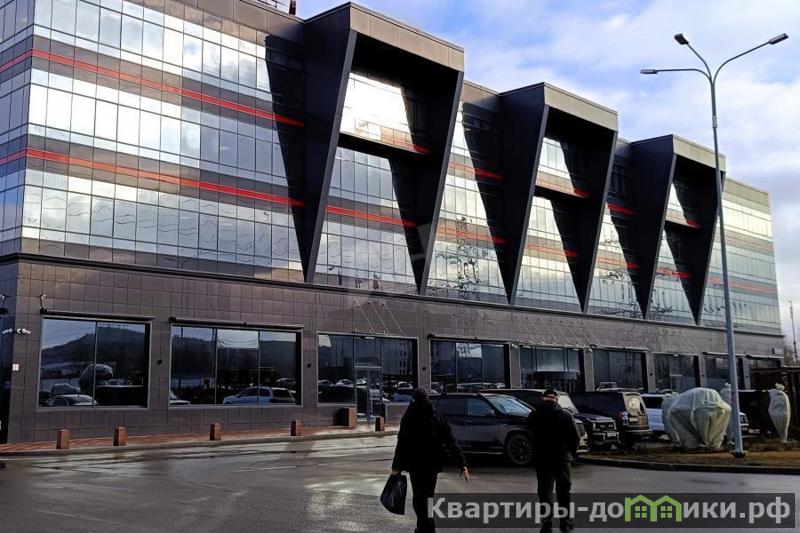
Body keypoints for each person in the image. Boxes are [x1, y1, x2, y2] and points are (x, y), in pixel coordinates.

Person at [391, 387, 469, 532]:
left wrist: (396, 466)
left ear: (413, 400)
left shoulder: (409, 416)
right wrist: (461, 463)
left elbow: (402, 443)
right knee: (427, 497)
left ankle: (425, 528)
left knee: (419, 497)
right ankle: (425, 528)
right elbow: (450, 441)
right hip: (432, 465)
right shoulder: (436, 415)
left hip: (416, 465)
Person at [526, 389, 580, 533]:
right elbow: (576, 438)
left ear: (543, 398)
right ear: (556, 399)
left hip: (542, 458)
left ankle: (547, 524)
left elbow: (528, 430)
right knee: (564, 492)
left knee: (545, 492)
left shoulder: (534, 415)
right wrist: (570, 453)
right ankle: (565, 523)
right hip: (562, 458)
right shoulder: (566, 415)